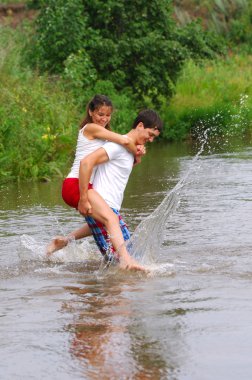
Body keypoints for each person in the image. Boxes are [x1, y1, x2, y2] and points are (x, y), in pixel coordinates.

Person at [46, 94, 142, 258]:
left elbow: (121, 155)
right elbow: (125, 141)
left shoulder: (104, 133)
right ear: (91, 112)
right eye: (100, 114)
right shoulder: (91, 128)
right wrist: (137, 150)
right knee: (110, 219)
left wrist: (136, 153)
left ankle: (63, 241)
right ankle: (125, 260)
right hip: (76, 184)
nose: (104, 118)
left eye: (108, 115)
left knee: (100, 220)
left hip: (84, 185)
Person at [78, 109, 163, 270]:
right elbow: (87, 162)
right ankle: (112, 294)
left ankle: (64, 241)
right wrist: (83, 198)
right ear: (140, 125)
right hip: (103, 204)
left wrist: (137, 155)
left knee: (124, 262)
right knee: (122, 264)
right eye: (150, 134)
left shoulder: (128, 149)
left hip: (111, 210)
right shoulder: (117, 145)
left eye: (154, 138)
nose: (151, 140)